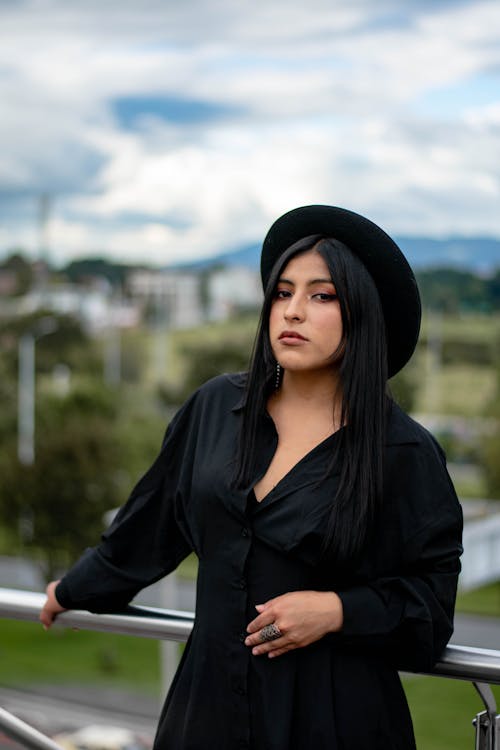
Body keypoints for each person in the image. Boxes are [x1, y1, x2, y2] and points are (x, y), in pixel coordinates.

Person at [40, 205, 463, 750]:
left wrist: (335, 610)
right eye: (282, 293)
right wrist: (69, 590)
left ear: (363, 315)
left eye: (321, 295)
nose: (292, 311)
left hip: (333, 723)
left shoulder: (403, 451)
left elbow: (431, 605)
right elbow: (145, 529)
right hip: (208, 715)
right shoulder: (215, 408)